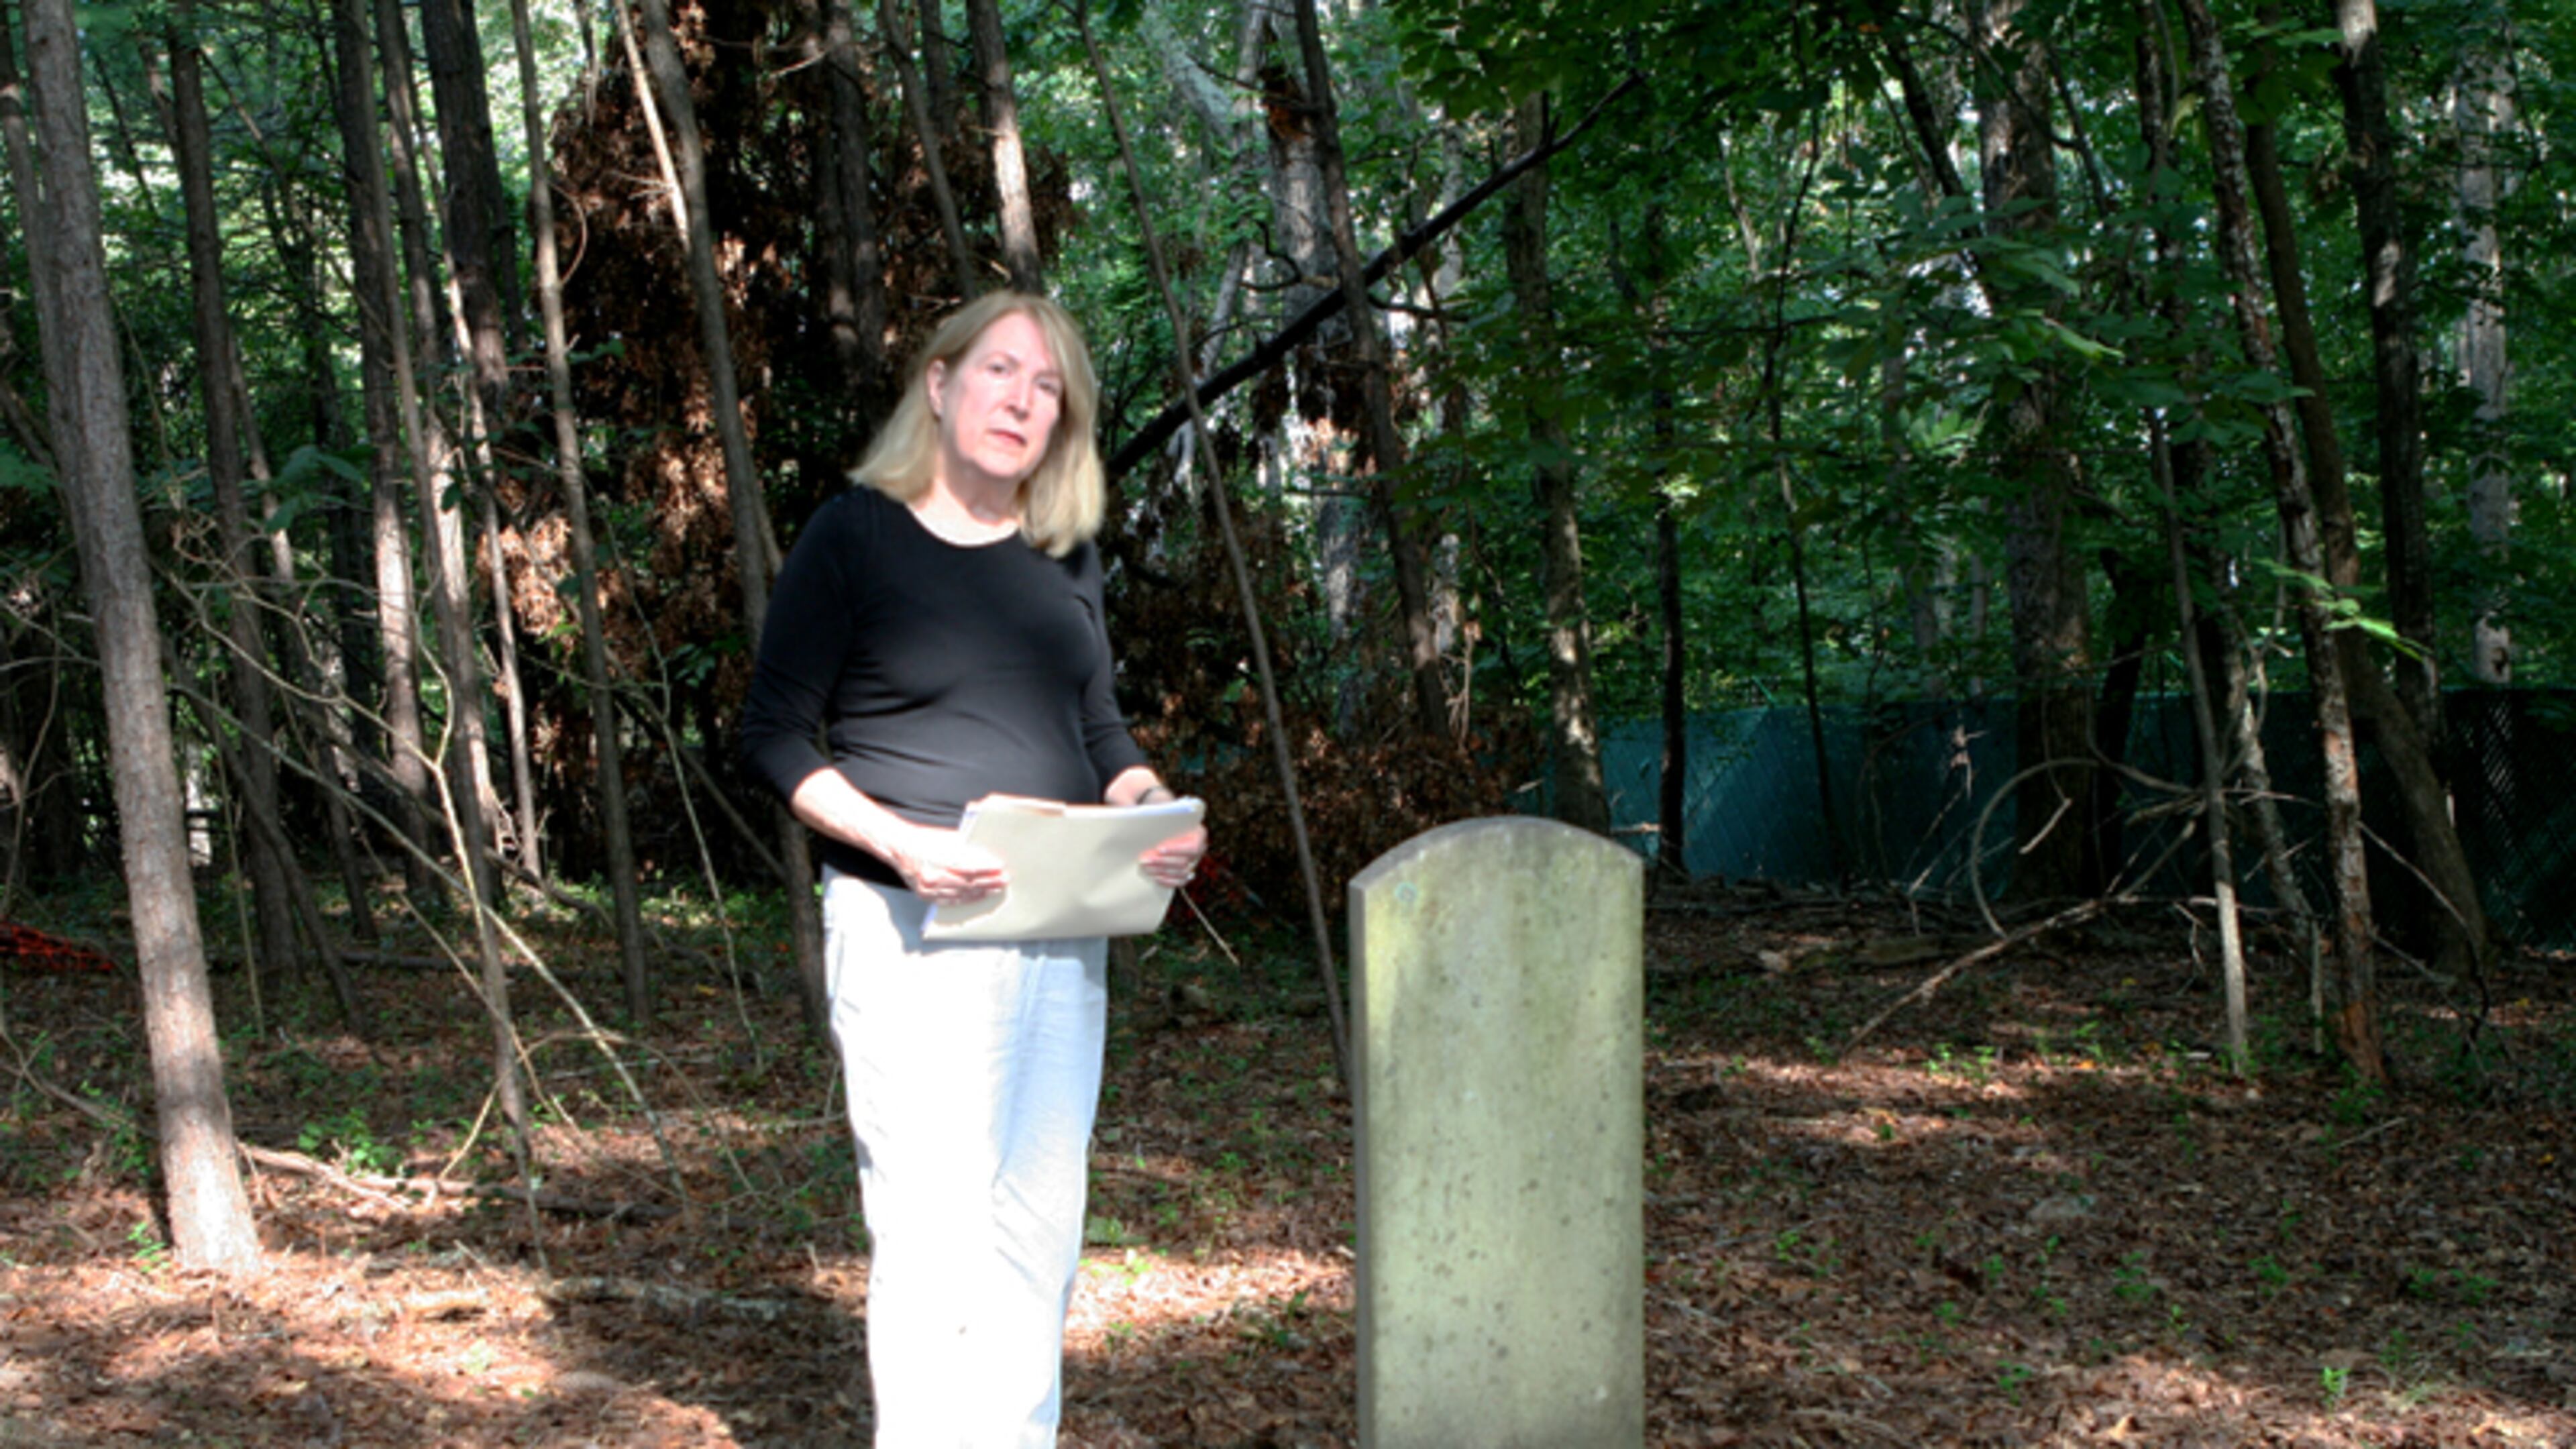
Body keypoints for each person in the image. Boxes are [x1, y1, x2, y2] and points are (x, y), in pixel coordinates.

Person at [740, 291, 1206, 1448]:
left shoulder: (1065, 554)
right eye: (1001, 371)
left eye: (1048, 388)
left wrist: (1151, 808)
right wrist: (901, 840)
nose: (1022, 400)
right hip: (914, 938)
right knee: (936, 1241)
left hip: (1064, 931)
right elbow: (773, 735)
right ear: (940, 387)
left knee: (1037, 1237)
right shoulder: (855, 534)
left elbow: (1097, 729)